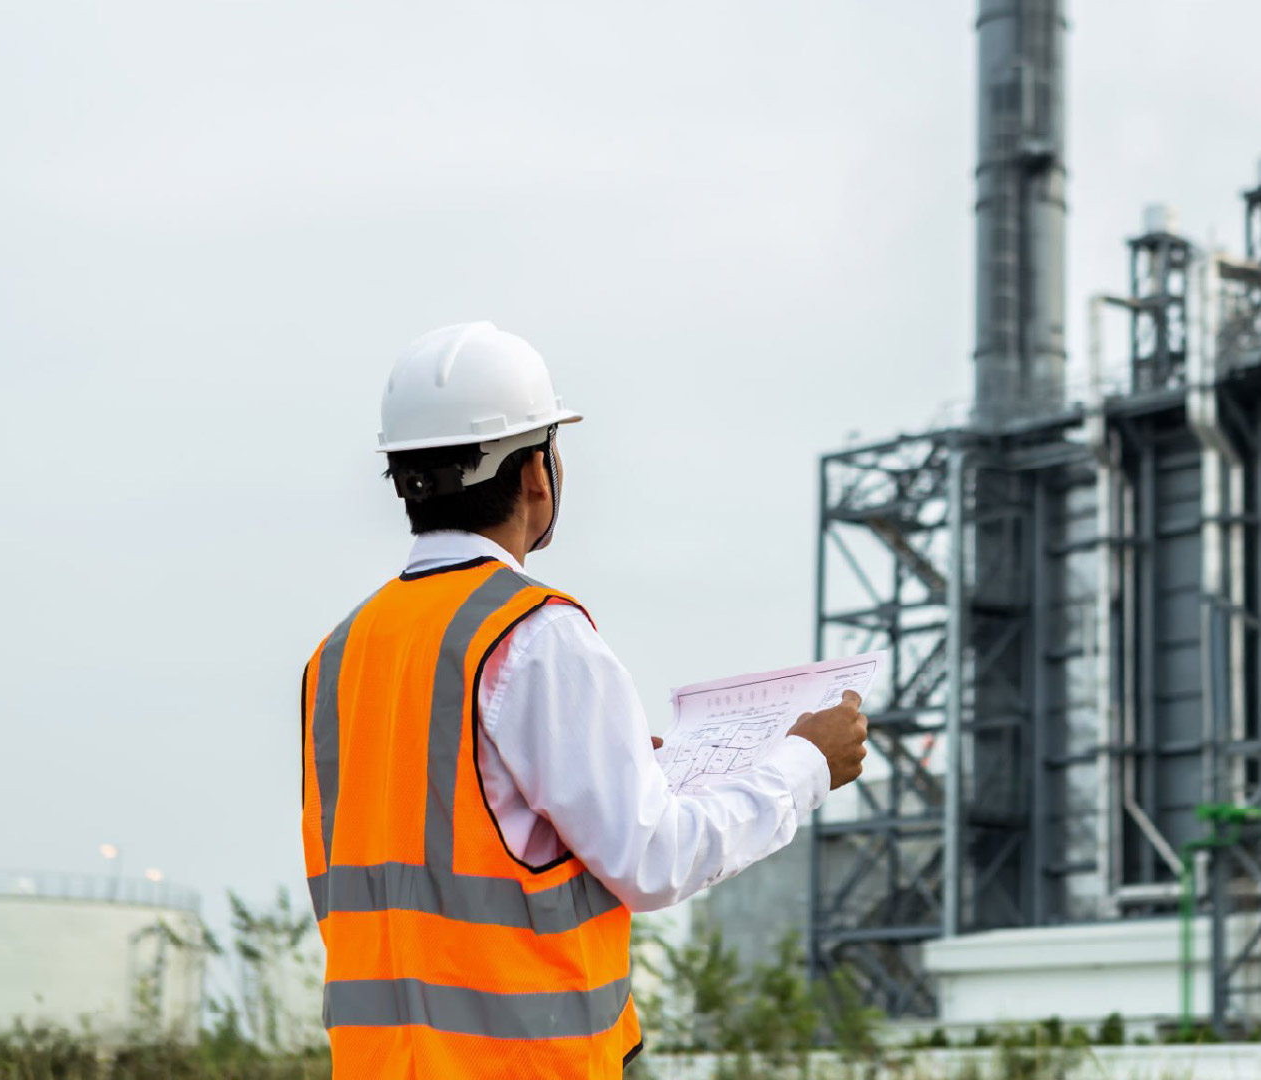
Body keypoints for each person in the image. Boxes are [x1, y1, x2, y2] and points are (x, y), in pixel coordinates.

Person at [299, 321, 868, 1077]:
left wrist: (622, 778)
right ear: (538, 471)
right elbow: (654, 860)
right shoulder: (534, 636)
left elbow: (442, 850)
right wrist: (806, 764)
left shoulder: (338, 654)